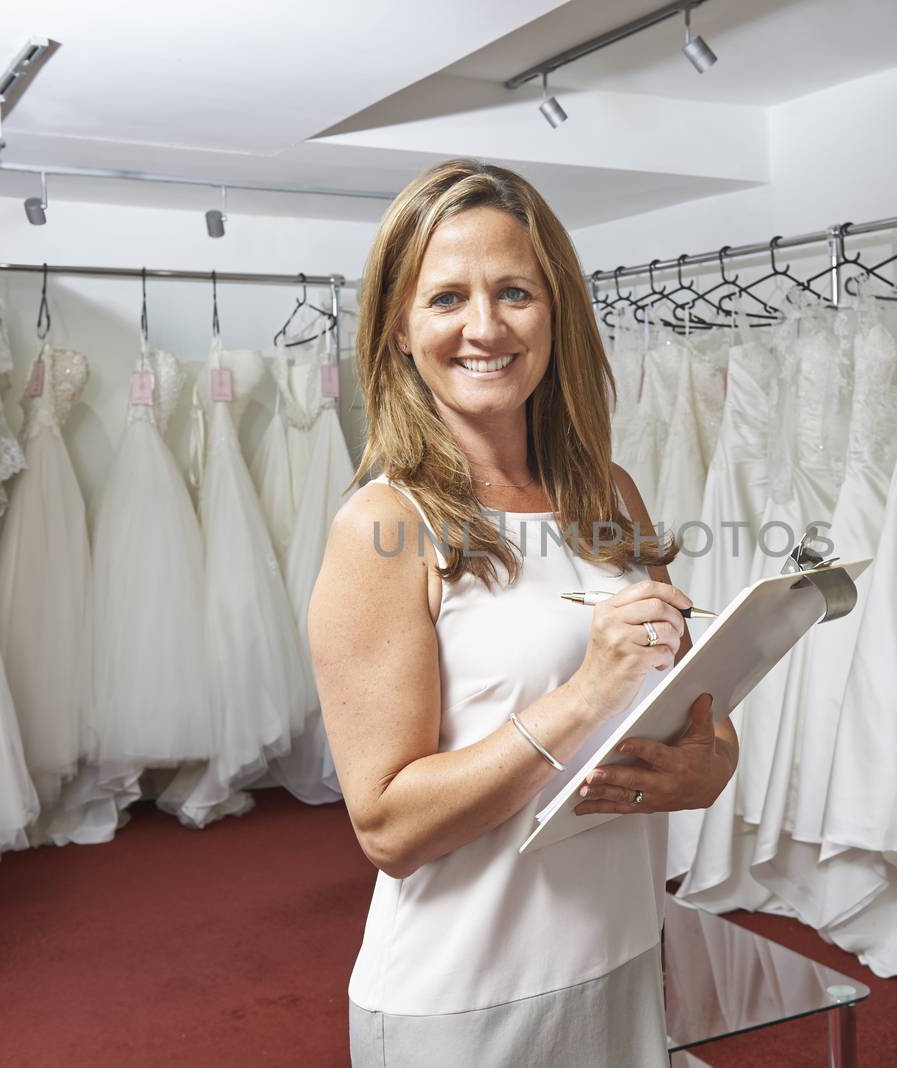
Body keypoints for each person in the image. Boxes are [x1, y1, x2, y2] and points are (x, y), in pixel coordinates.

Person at [309, 158, 739, 1067]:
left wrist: (708, 765)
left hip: (618, 951)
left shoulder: (609, 493)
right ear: (397, 330)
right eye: (446, 299)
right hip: (466, 996)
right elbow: (386, 826)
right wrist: (585, 695)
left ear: (557, 314)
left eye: (514, 292)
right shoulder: (385, 524)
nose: (485, 327)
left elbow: (692, 701)